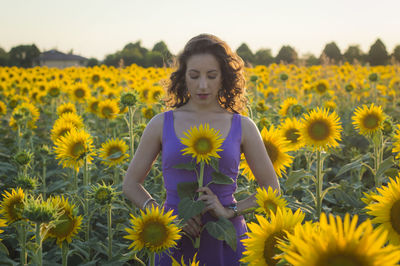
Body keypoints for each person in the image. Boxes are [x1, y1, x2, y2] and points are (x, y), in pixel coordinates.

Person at [122, 33, 279, 265]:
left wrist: (231, 211)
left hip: (226, 237)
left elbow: (272, 188)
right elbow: (130, 184)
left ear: (224, 78)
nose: (202, 85)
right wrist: (164, 218)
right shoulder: (161, 123)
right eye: (194, 76)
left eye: (211, 75)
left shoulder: (243, 126)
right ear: (183, 77)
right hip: (174, 236)